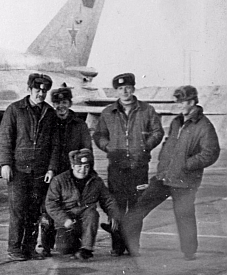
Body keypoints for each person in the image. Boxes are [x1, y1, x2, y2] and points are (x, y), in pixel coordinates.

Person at [122, 85, 220, 260]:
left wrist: (187, 164)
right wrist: (162, 166)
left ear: (192, 102)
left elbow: (211, 152)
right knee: (140, 207)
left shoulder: (204, 126)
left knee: (184, 215)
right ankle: (122, 237)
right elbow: (169, 145)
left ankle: (189, 251)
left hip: (185, 180)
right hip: (164, 176)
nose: (179, 105)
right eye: (179, 101)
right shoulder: (177, 122)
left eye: (182, 102)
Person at [93, 73, 164, 256]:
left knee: (136, 206)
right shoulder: (108, 112)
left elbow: (158, 131)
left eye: (128, 87)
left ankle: (133, 244)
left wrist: (145, 146)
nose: (124, 91)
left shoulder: (147, 110)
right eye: (120, 88)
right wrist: (107, 146)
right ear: (116, 90)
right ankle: (117, 245)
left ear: (133, 88)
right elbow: (99, 134)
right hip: (116, 166)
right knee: (115, 206)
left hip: (138, 166)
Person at [0, 73, 60, 261]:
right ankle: (14, 248)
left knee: (34, 212)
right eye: (37, 90)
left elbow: (55, 144)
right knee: (18, 211)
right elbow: (5, 138)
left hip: (40, 171)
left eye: (44, 91)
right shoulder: (15, 110)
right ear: (29, 89)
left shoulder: (49, 113)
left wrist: (51, 168)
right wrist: (6, 164)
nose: (41, 94)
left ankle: (30, 248)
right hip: (18, 170)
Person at [38, 84, 93, 256]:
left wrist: (85, 177)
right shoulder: (48, 123)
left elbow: (87, 151)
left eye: (64, 102)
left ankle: (74, 239)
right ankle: (44, 245)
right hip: (51, 174)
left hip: (72, 176)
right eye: (57, 103)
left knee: (73, 208)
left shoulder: (80, 125)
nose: (61, 106)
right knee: (47, 211)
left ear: (70, 103)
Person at [45, 149, 120, 260]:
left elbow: (108, 200)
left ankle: (86, 249)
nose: (82, 170)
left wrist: (113, 214)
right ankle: (73, 244)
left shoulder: (96, 181)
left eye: (86, 166)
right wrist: (64, 219)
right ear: (72, 166)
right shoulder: (59, 180)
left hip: (86, 219)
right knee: (64, 249)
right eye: (79, 166)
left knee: (92, 213)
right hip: (67, 219)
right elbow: (51, 204)